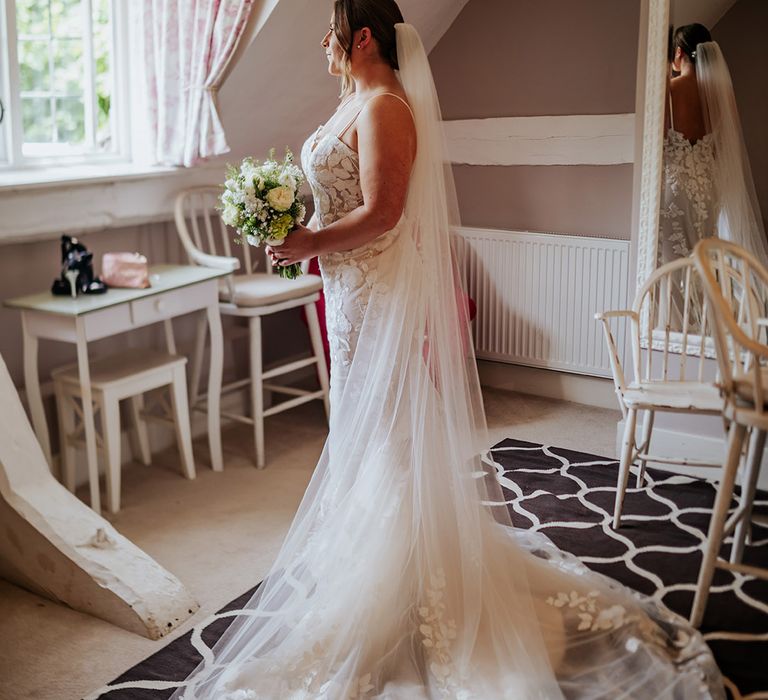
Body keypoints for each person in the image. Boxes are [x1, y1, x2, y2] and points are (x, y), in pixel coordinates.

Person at [173, 3, 724, 697]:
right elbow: (341, 199)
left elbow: (385, 213)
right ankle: (370, 562)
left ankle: (407, 578)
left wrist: (311, 243)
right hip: (346, 296)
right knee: (360, 430)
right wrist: (295, 225)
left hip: (375, 296)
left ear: (363, 36)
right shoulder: (352, 101)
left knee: (388, 429)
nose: (321, 42)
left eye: (331, 29)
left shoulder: (387, 109)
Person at [659, 23, 767, 267]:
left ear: (678, 54)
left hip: (676, 190)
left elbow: (659, 142)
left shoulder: (670, 90)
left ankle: (671, 307)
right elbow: (721, 149)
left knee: (671, 267)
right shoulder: (720, 97)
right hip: (708, 191)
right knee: (700, 266)